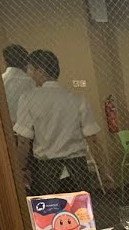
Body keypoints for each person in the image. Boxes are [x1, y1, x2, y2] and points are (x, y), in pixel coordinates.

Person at [14, 49, 111, 195]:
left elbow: (23, 142)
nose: (29, 74)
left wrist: (20, 169)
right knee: (80, 209)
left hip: (46, 172)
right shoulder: (78, 99)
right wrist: (104, 172)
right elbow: (93, 140)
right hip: (78, 170)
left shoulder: (28, 99)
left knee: (51, 208)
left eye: (30, 69)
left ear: (40, 71)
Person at [1, 44, 35, 120]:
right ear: (26, 62)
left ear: (5, 61)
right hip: (25, 124)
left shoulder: (1, 80)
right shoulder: (31, 82)